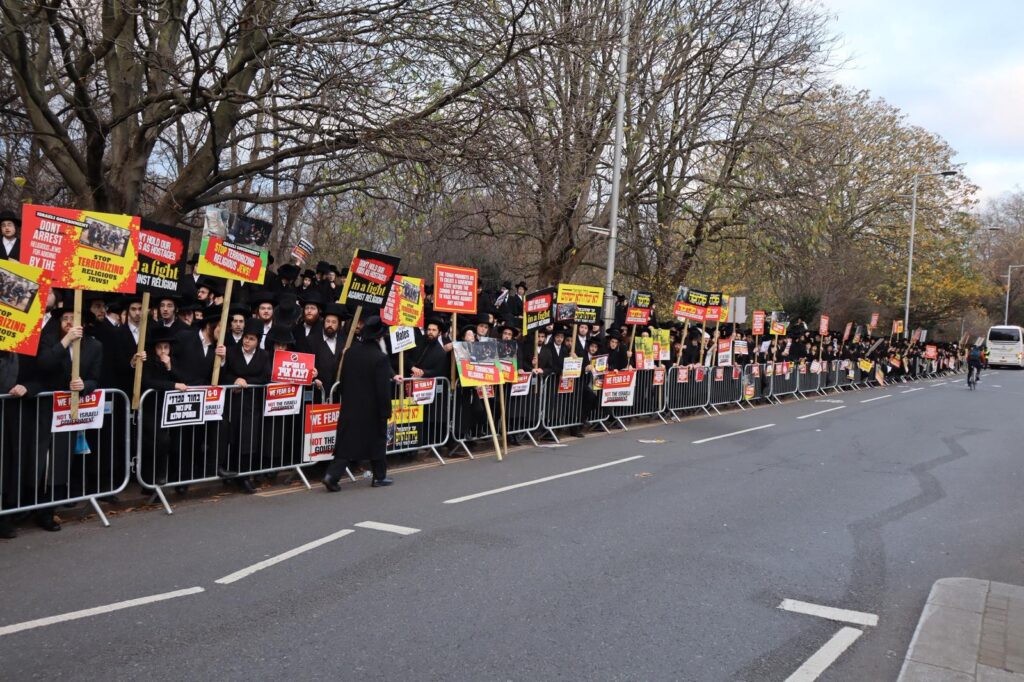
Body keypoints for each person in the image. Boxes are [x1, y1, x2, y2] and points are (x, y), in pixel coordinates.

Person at [323, 316, 394, 491]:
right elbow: (383, 389)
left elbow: (343, 380)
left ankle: (331, 476)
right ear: (379, 337)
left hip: (351, 406)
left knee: (347, 443)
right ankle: (379, 476)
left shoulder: (351, 352)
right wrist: (386, 410)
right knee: (377, 442)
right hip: (372, 409)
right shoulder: (380, 358)